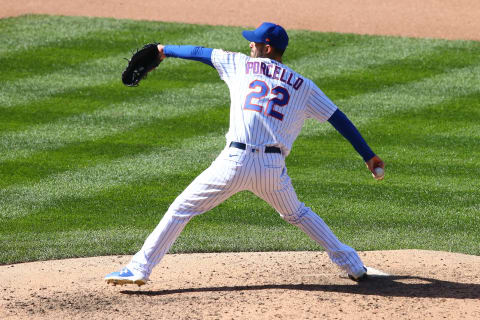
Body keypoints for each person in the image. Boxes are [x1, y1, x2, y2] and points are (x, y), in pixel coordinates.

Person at [105, 22, 385, 286]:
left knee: (182, 209)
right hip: (271, 169)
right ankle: (352, 265)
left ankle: (140, 268)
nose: (250, 45)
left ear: (266, 46)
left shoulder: (240, 63)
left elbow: (200, 53)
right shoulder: (304, 86)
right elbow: (339, 119)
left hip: (233, 164)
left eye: (254, 42)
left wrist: (164, 50)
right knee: (297, 213)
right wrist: (368, 155)